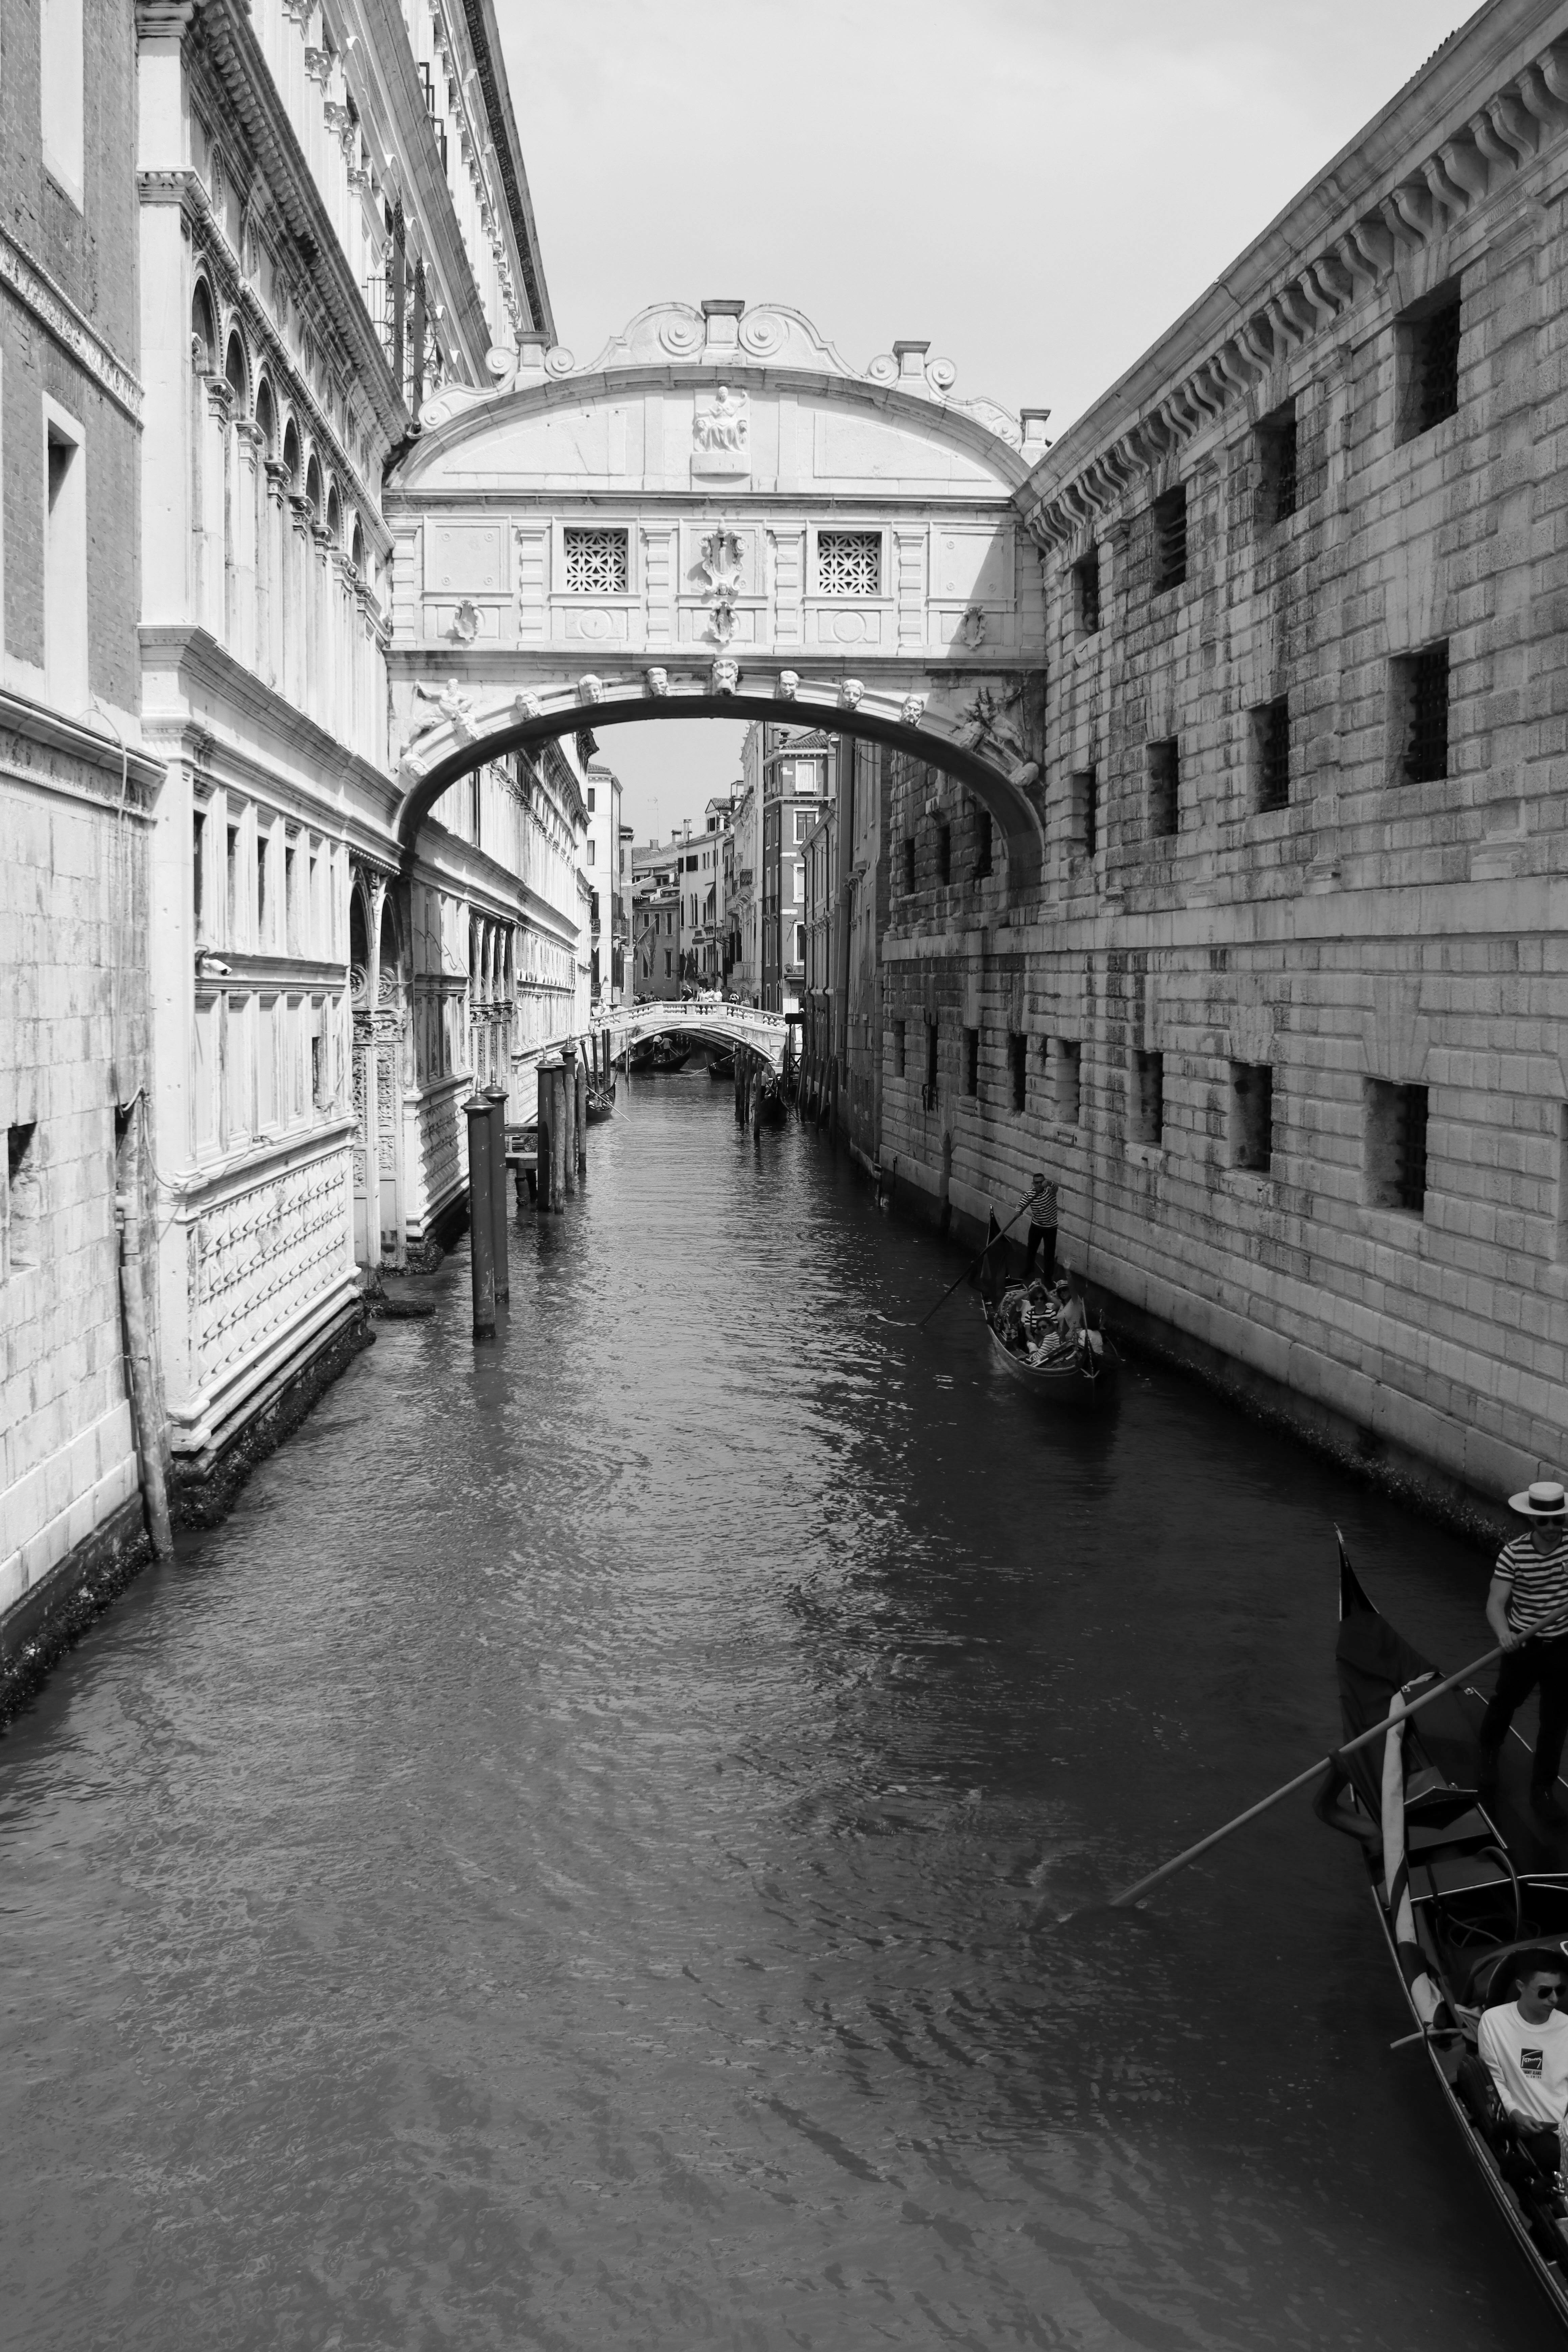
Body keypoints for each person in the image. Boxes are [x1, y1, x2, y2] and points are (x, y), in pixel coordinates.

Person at [1478, 1479, 1568, 1818]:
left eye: (1557, 1520)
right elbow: (1494, 1603)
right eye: (1543, 1521)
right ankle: (1488, 1752)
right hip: (1522, 1644)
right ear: (1532, 1520)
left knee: (1555, 1721)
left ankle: (1542, 1789)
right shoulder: (1513, 1553)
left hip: (1562, 1647)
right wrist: (1503, 1634)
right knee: (1505, 1703)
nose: (1550, 1528)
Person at [1478, 1949, 1568, 2183]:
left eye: (1560, 1991)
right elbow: (1494, 2079)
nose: (1554, 1999)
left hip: (1563, 2130)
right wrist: (1514, 2114)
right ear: (1520, 1986)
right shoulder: (1494, 2022)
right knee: (1551, 2156)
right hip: (1528, 2133)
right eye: (1545, 1992)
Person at [1023, 1174, 1058, 1284]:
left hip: (1051, 1228)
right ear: (1033, 1184)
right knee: (1031, 1249)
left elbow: (1055, 1189)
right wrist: (1018, 1211)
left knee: (1049, 1253)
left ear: (1044, 1182)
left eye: (1041, 1182)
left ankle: (1048, 1278)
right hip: (1036, 1226)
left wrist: (1050, 1183)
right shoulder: (1030, 1193)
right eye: (1036, 1183)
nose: (1039, 1184)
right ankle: (1029, 1269)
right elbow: (1022, 1203)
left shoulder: (1049, 1191)